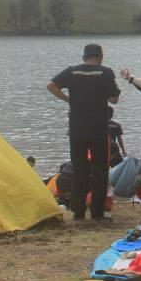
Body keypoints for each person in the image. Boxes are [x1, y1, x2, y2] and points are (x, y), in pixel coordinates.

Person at [47, 43, 120, 221]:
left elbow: (50, 85)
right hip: (99, 129)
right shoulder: (106, 72)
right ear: (100, 56)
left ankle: (78, 212)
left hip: (77, 129)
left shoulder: (72, 71)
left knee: (79, 169)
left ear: (84, 56)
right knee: (100, 170)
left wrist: (68, 99)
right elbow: (114, 99)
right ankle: (97, 212)